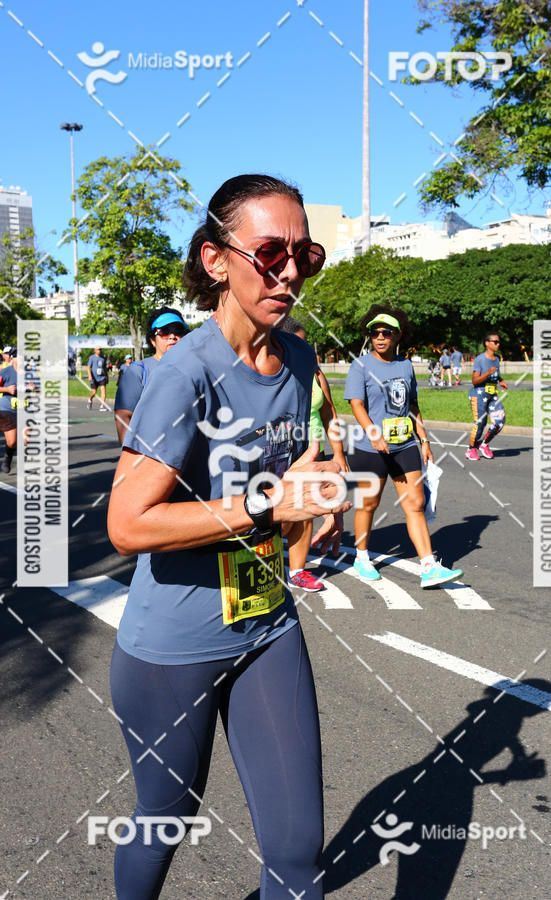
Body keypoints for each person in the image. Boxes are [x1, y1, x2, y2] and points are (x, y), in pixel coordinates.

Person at [107, 173, 349, 900]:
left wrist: (316, 492)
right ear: (217, 260)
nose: (289, 272)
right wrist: (269, 503)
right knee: (166, 817)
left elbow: (284, 467)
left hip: (267, 624)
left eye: (305, 255)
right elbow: (127, 524)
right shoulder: (184, 374)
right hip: (172, 647)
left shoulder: (300, 359)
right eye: (269, 252)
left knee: (298, 850)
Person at [344, 305, 463, 588]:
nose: (380, 337)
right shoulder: (361, 365)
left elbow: (412, 405)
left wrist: (424, 440)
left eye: (386, 332)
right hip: (370, 447)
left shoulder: (405, 366)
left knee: (415, 503)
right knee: (369, 504)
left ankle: (429, 566)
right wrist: (373, 433)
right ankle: (362, 557)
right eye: (375, 332)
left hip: (404, 444)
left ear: (398, 335)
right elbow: (356, 404)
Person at [280, 316, 349, 591]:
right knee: (282, 515)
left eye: (306, 344)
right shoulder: (274, 371)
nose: (304, 350)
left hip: (314, 450)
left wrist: (339, 454)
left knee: (307, 509)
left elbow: (329, 412)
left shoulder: (315, 372)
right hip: (284, 453)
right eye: (298, 343)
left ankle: (297, 570)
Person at [113, 309, 188, 444]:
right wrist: (132, 454)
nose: (172, 336)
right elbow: (123, 416)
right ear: (153, 340)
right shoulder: (138, 370)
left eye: (178, 330)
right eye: (164, 331)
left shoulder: (197, 369)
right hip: (152, 453)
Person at [466, 331, 508, 461]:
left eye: (499, 342)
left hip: (492, 394)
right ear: (487, 343)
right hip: (478, 395)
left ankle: (483, 444)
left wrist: (500, 380)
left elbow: (496, 374)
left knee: (500, 421)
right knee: (480, 423)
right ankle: (471, 449)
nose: (498, 344)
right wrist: (487, 373)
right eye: (495, 342)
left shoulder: (497, 358)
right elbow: (475, 381)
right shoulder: (480, 359)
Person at [0, 346, 18, 473]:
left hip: (25, 409)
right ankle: (8, 458)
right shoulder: (4, 370)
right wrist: (7, 389)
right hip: (6, 408)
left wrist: (34, 388)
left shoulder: (30, 372)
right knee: (12, 442)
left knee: (26, 439)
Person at [87, 346, 109, 412]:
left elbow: (105, 368)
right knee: (94, 392)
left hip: (102, 377)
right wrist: (90, 376)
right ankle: (90, 399)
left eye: (100, 349)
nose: (99, 351)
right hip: (94, 377)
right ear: (95, 350)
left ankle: (102, 406)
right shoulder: (92, 357)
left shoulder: (103, 358)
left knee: (103, 390)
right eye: (98, 349)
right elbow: (88, 367)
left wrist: (107, 376)